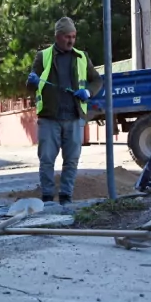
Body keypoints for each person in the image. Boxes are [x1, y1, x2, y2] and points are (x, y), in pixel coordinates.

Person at [26, 17, 104, 204]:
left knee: (71, 161)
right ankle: (47, 197)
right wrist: (32, 81)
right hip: (49, 118)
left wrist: (87, 91)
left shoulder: (81, 57)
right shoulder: (42, 56)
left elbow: (97, 80)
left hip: (74, 118)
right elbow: (30, 85)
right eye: (67, 36)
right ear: (58, 36)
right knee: (46, 160)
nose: (71, 40)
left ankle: (66, 197)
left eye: (74, 37)